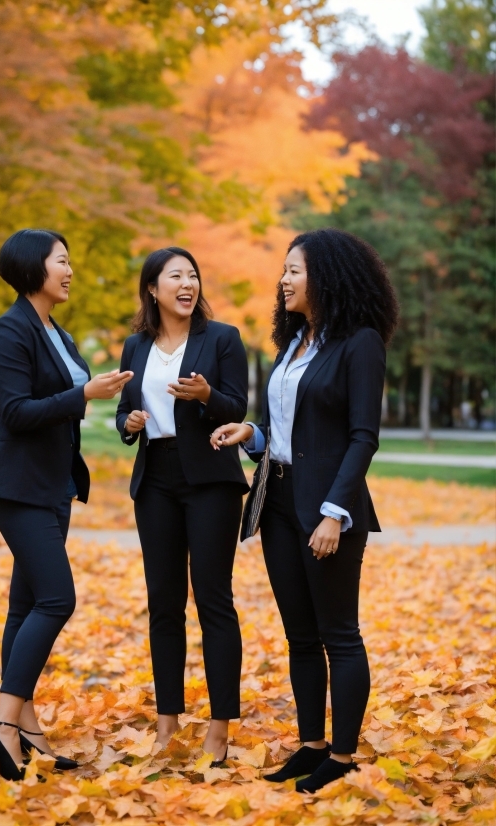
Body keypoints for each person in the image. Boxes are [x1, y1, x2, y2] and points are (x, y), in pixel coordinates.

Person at [210, 228, 399, 792]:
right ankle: (312, 745)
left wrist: (334, 512)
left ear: (328, 276)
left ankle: (342, 758)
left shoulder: (360, 343)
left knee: (339, 633)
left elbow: (363, 437)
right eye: (284, 270)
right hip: (278, 501)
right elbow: (292, 432)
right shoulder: (294, 345)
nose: (283, 279)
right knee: (300, 635)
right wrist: (253, 433)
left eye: (294, 269)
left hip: (326, 509)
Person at [0, 229, 133, 780]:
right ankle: (2, 721)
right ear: (31, 267)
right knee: (57, 600)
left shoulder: (53, 330)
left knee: (25, 606)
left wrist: (92, 395)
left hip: (52, 484)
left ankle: (26, 729)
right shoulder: (9, 331)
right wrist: (84, 394)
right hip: (16, 485)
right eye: (60, 261)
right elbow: (15, 412)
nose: (69, 270)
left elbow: (57, 400)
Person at [116, 247, 249, 764]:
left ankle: (219, 727)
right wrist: (128, 423)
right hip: (156, 480)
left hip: (211, 478)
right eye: (176, 276)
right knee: (163, 603)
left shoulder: (222, 339)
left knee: (213, 599)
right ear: (154, 288)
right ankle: (166, 723)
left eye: (192, 275)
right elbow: (129, 411)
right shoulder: (136, 346)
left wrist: (206, 395)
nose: (187, 283)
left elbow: (236, 406)